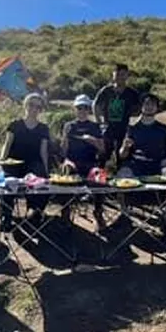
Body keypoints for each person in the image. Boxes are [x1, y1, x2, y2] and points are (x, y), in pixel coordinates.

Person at [0, 93, 51, 228]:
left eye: (38, 107)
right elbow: (7, 144)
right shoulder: (14, 125)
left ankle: (35, 211)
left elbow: (43, 151)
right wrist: (1, 160)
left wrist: (46, 170)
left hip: (33, 162)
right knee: (6, 180)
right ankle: (6, 214)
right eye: (31, 105)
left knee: (41, 179)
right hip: (14, 161)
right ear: (25, 106)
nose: (34, 109)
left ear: (41, 110)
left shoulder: (43, 128)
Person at [60, 94, 107, 230]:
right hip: (72, 161)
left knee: (100, 175)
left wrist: (93, 140)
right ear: (75, 109)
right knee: (67, 171)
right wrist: (65, 137)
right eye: (79, 108)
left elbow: (103, 150)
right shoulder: (69, 126)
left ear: (89, 110)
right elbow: (63, 152)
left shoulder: (95, 127)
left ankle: (98, 212)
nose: (82, 110)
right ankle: (66, 210)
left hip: (90, 163)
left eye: (85, 107)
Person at [117, 93, 166, 181]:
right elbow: (122, 155)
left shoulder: (164, 129)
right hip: (136, 165)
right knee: (122, 175)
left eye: (153, 104)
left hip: (159, 165)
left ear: (157, 108)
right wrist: (125, 147)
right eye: (146, 103)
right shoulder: (132, 128)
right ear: (141, 107)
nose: (149, 106)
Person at [93, 63, 141, 167]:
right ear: (113, 75)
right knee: (104, 156)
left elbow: (140, 109)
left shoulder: (132, 93)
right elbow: (96, 105)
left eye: (123, 74)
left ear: (127, 75)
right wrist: (99, 122)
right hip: (108, 128)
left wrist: (134, 124)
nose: (120, 77)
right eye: (118, 74)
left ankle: (122, 175)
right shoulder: (106, 91)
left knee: (123, 155)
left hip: (123, 128)